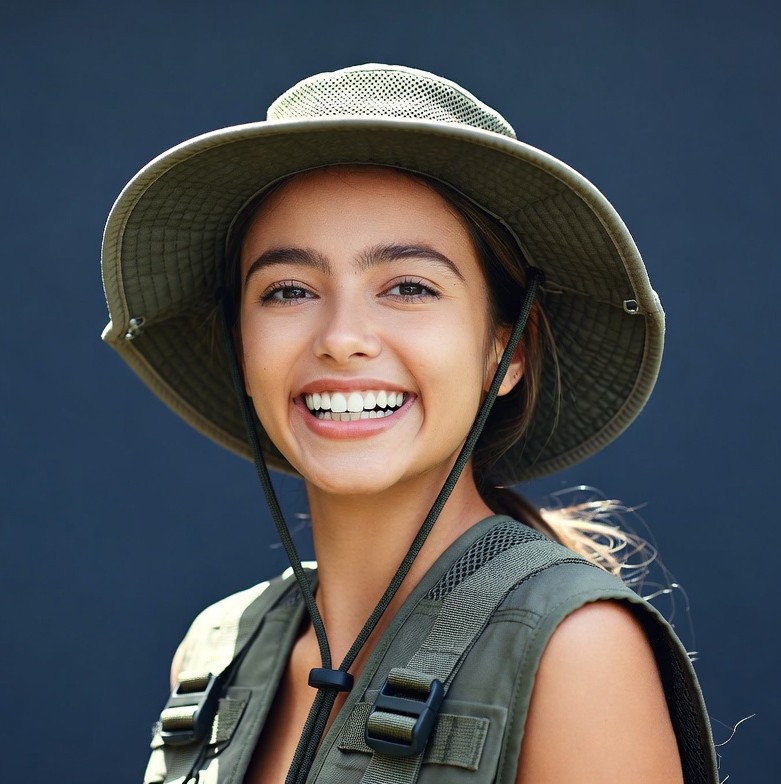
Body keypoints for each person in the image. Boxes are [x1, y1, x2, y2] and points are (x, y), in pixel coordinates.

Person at [100, 64, 719, 784]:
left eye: (409, 287)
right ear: (242, 344)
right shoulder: (213, 656)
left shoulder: (574, 652)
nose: (342, 338)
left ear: (507, 349)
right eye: (289, 289)